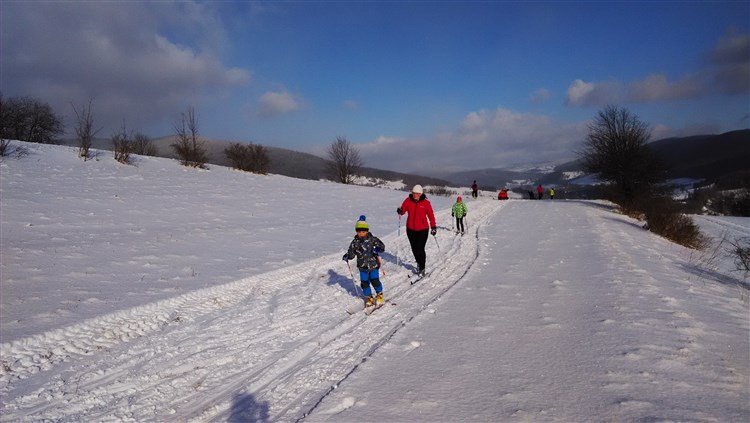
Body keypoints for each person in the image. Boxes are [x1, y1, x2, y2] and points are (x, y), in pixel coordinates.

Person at [343, 218, 386, 307]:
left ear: (367, 231)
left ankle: (379, 294)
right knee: (364, 283)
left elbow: (382, 247)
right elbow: (351, 252)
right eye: (359, 232)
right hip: (362, 267)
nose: (361, 234)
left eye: (363, 231)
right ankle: (369, 297)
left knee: (375, 281)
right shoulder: (355, 242)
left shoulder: (372, 240)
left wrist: (378, 249)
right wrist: (348, 256)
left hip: (373, 265)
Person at [397, 184, 437, 277]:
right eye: (414, 193)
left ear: (421, 194)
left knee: (420, 249)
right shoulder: (408, 200)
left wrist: (433, 227)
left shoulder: (426, 203)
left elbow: (431, 215)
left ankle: (422, 267)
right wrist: (400, 210)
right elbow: (403, 210)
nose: (415, 195)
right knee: (414, 248)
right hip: (410, 229)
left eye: (417, 193)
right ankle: (419, 263)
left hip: (423, 229)